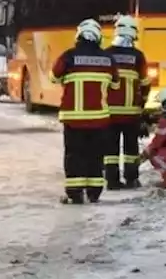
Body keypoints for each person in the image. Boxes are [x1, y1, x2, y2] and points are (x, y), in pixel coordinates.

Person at [50, 19, 117, 204]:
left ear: (79, 36)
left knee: (74, 154)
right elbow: (115, 84)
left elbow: (54, 77)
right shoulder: (108, 59)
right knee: (95, 155)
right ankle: (94, 193)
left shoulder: (68, 57)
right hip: (99, 119)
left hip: (73, 119)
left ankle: (75, 193)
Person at [104, 15, 150, 189]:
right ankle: (132, 178)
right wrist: (142, 104)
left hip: (109, 112)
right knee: (131, 149)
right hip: (131, 112)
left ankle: (112, 180)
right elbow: (145, 83)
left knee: (110, 149)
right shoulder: (138, 56)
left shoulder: (107, 54)